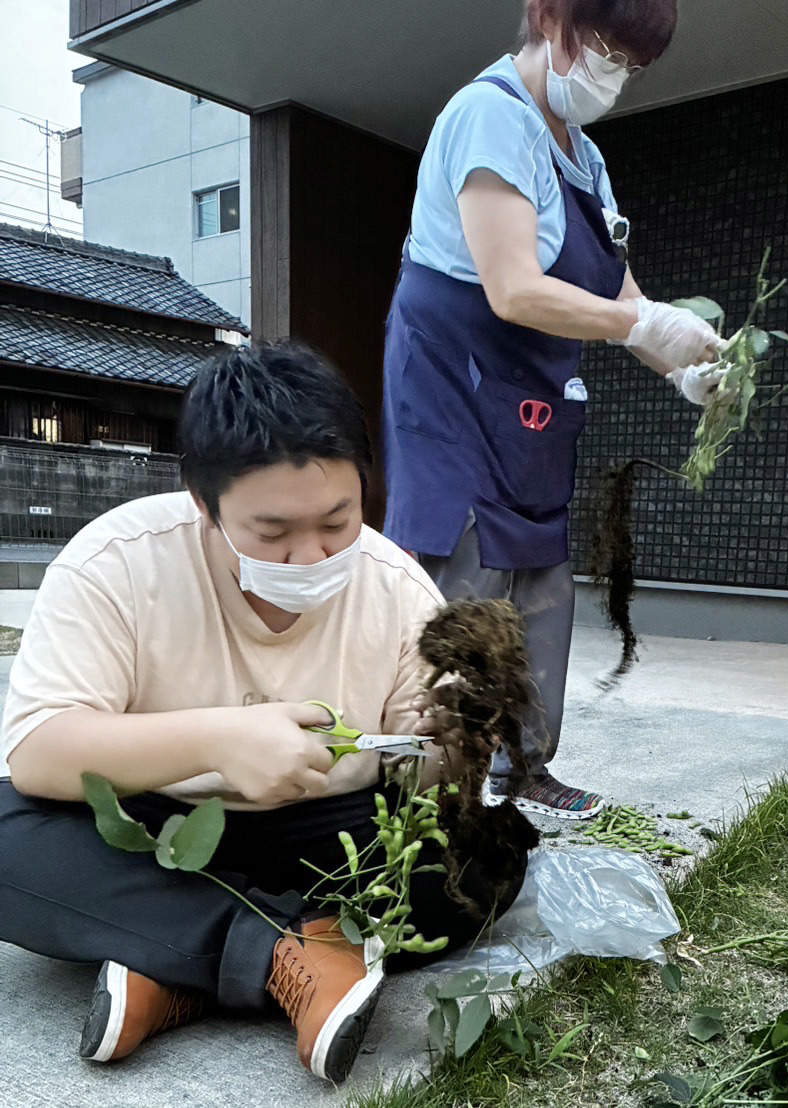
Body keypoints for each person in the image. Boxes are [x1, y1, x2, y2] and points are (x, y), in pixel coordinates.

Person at [0, 344, 526, 1084]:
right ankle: (296, 954)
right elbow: (39, 752)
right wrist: (216, 739)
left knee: (488, 859)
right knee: (7, 838)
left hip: (328, 833)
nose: (310, 556)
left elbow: (429, 776)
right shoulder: (116, 563)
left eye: (337, 522)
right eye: (271, 533)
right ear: (201, 501)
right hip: (159, 828)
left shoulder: (397, 590)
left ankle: (172, 963)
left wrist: (452, 742)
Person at [381, 0, 723, 822]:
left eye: (631, 64)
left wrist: (678, 367)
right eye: (606, 49)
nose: (613, 74)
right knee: (464, 585)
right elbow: (514, 288)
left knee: (540, 586)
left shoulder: (586, 159)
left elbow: (620, 294)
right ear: (550, 18)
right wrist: (642, 324)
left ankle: (528, 767)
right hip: (456, 388)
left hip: (532, 405)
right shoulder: (487, 117)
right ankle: (434, 781)